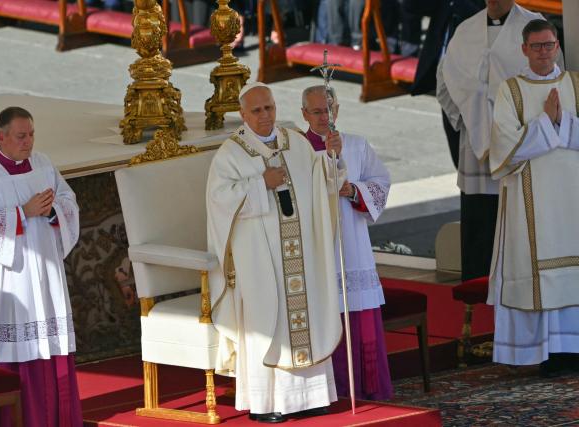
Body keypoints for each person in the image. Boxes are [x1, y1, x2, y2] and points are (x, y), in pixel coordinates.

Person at [207, 82, 344, 423]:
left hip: (301, 255)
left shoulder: (295, 142)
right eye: (256, 110)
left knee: (305, 315)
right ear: (243, 115)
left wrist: (332, 157)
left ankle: (313, 397)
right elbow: (220, 200)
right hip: (259, 259)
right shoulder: (231, 153)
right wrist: (260, 183)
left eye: (269, 108)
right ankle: (269, 403)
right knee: (267, 321)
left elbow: (322, 186)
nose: (265, 115)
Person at [0, 107, 82, 426]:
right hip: (11, 280)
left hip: (45, 275)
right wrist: (22, 212)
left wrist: (54, 209)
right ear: (1, 136)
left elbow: (69, 200)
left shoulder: (43, 164)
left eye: (31, 135)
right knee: (20, 354)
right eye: (21, 136)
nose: (28, 142)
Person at [489, 19, 579, 375]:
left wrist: (560, 123)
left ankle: (573, 350)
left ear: (558, 46)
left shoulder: (574, 83)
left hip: (572, 195)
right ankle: (542, 352)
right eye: (537, 46)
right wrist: (546, 123)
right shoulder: (509, 91)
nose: (544, 52)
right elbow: (503, 148)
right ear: (524, 49)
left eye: (550, 45)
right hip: (532, 197)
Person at [436, 0, 545, 282]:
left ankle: (519, 288)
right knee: (479, 223)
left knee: (517, 225)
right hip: (475, 145)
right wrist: (469, 119)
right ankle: (475, 288)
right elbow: (445, 78)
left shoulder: (533, 27)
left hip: (519, 145)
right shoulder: (466, 31)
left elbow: (549, 80)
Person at [301, 85, 393, 401]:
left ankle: (370, 387)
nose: (325, 117)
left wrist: (354, 191)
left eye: (329, 110)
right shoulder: (296, 151)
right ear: (304, 115)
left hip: (353, 245)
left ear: (337, 110)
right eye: (317, 111)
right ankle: (333, 389)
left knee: (360, 313)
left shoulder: (356, 145)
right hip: (318, 245)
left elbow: (380, 182)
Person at [405, 0, 486, 168]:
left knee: (475, 154)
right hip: (446, 78)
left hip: (475, 78)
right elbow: (414, 6)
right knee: (457, 150)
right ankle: (466, 187)